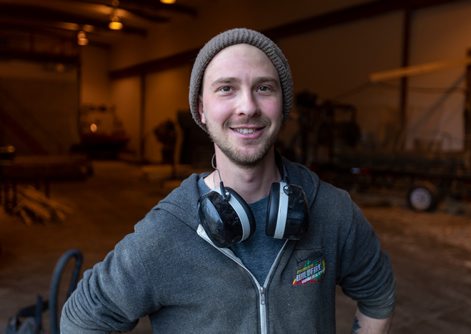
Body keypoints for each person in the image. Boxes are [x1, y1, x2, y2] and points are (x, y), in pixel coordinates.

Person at [61, 28, 395, 333]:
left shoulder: (331, 210)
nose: (248, 106)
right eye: (227, 89)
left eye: (264, 88)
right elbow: (81, 319)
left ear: (283, 105)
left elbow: (377, 292)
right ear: (201, 110)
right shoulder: (166, 234)